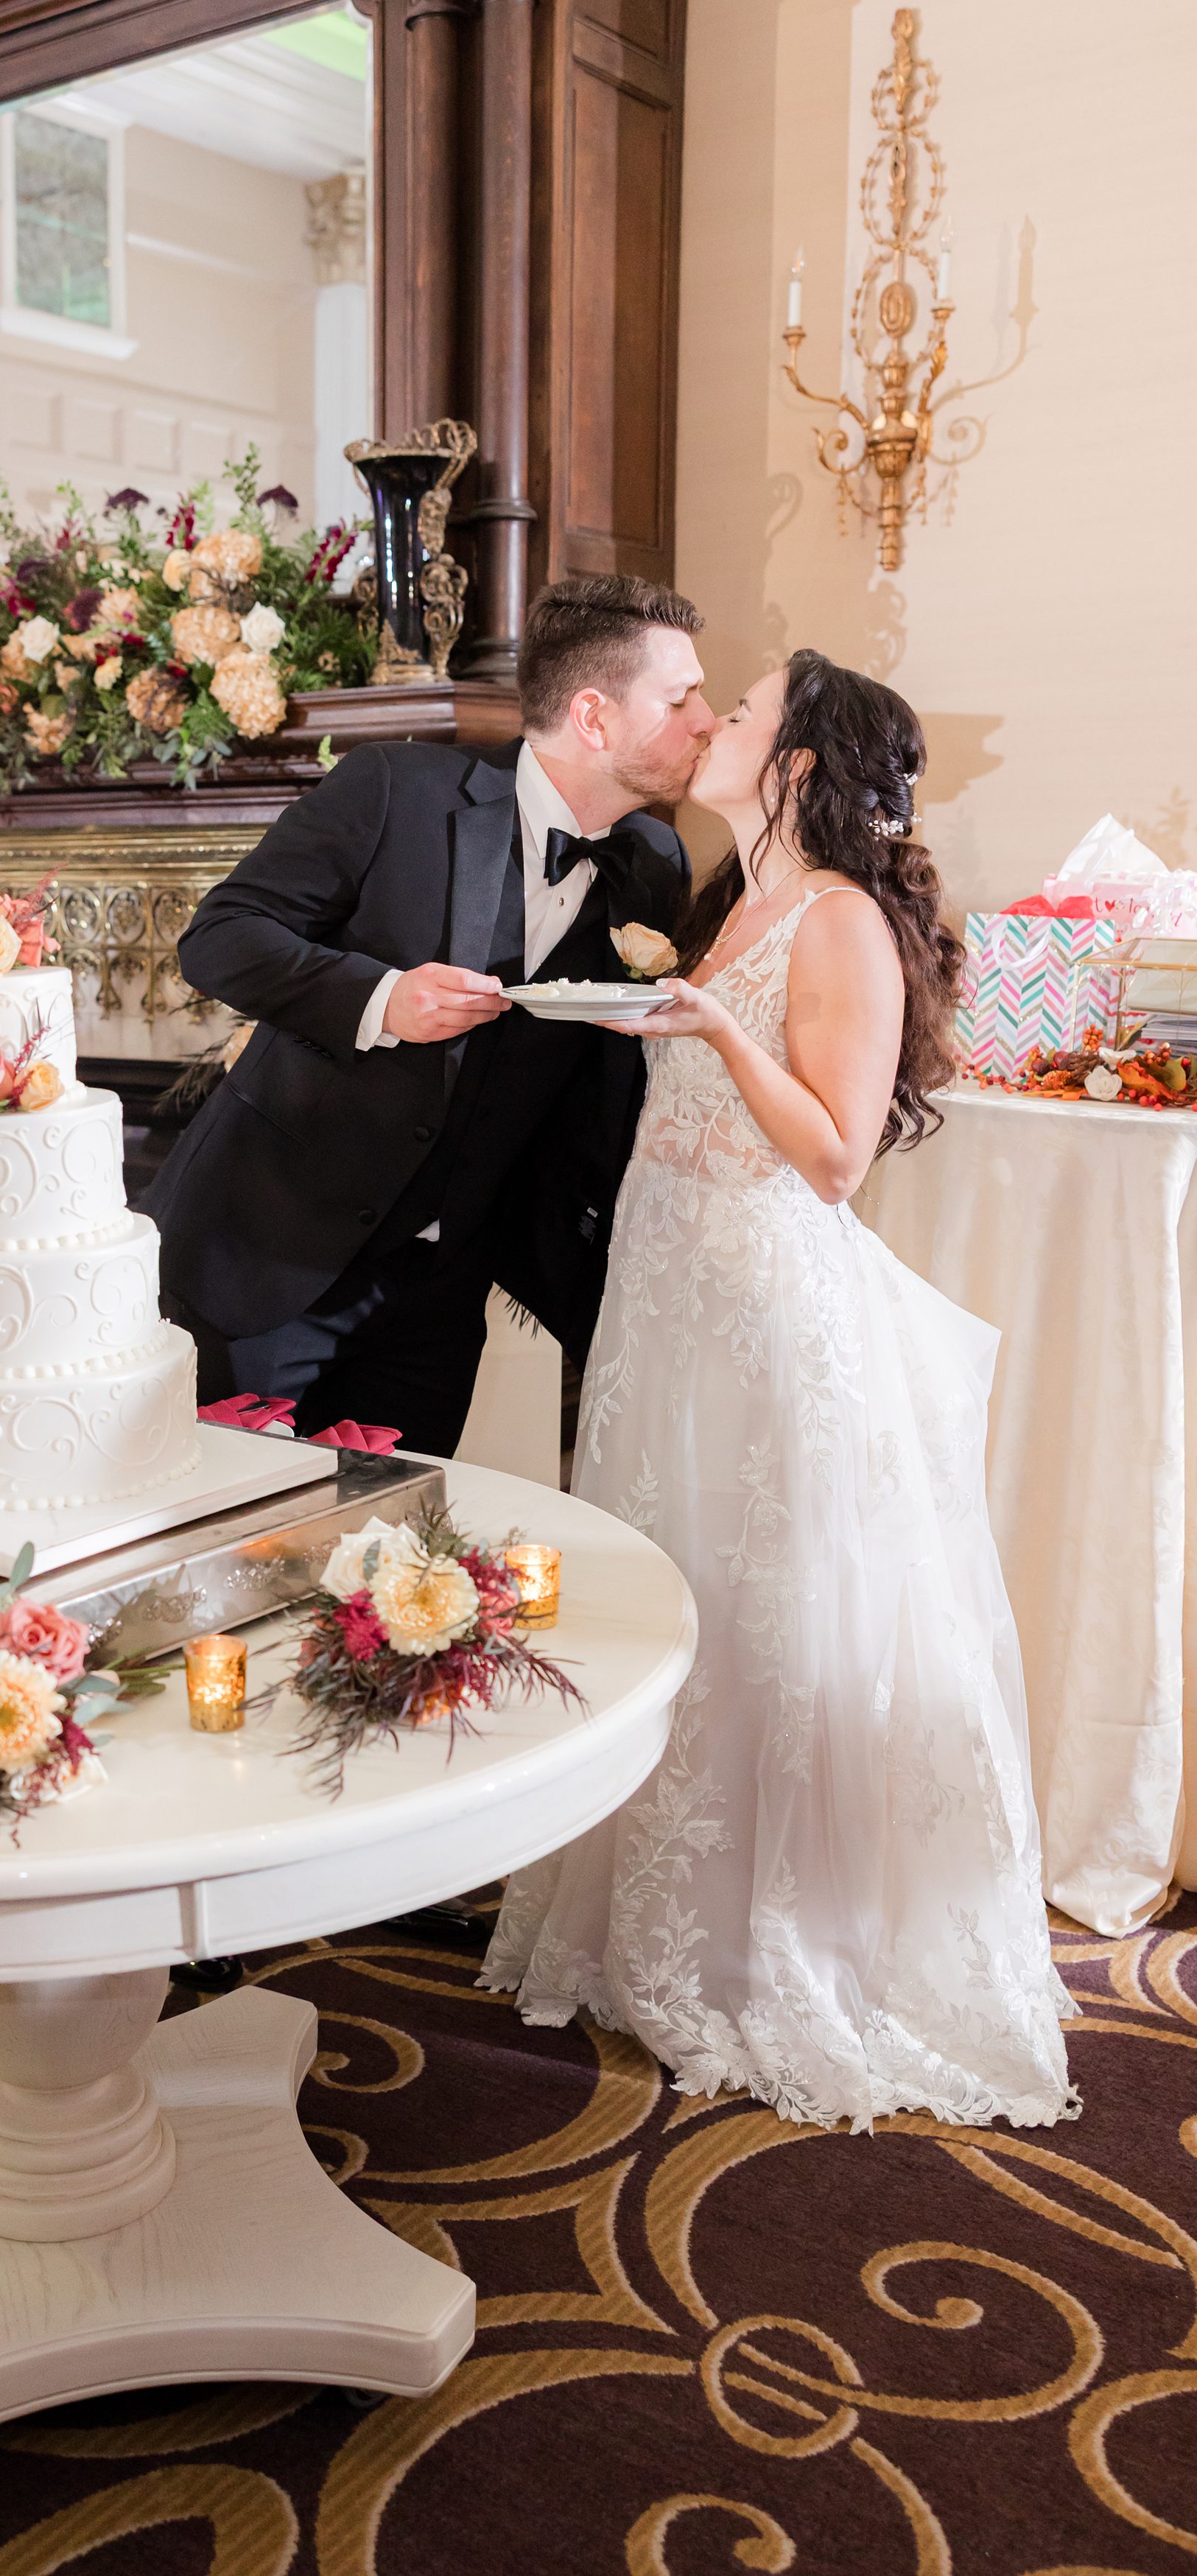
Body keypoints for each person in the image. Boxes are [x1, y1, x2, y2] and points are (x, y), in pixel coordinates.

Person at [481, 649, 1078, 2132]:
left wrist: (718, 1026)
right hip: (668, 1297)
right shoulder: (729, 899)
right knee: (670, 1584)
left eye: (739, 715)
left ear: (800, 762)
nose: (712, 726)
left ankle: (774, 1943)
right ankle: (658, 1923)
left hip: (760, 1306)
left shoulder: (843, 920)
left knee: (768, 1605)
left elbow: (833, 1157)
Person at [147, 575, 715, 1453]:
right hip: (267, 1260)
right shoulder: (394, 791)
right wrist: (380, 999)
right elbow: (219, 937)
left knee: (396, 1560)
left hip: (442, 1297)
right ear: (595, 718)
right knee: (229, 1542)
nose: (705, 721)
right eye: (681, 699)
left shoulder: (653, 859)